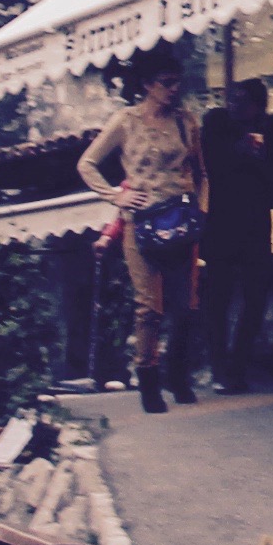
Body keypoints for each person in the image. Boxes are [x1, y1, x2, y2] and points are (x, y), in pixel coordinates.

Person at [78, 56, 211, 411]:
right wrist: (115, 195)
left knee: (186, 305)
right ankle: (148, 379)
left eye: (177, 81)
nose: (174, 89)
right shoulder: (126, 121)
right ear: (148, 85)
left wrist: (202, 210)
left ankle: (178, 376)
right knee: (149, 306)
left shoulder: (186, 121)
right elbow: (87, 164)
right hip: (142, 224)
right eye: (166, 82)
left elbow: (201, 172)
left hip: (181, 221)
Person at [200, 78, 273, 391]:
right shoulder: (217, 125)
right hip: (221, 223)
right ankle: (219, 367)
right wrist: (238, 152)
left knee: (255, 298)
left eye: (243, 101)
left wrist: (259, 157)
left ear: (258, 105)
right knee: (218, 300)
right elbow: (209, 165)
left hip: (255, 224)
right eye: (232, 100)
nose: (235, 106)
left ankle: (237, 366)